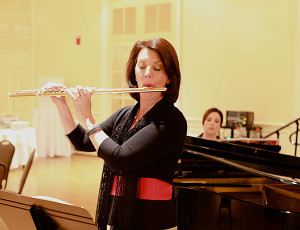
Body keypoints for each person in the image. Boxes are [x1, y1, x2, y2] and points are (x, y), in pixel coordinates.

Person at [44, 38, 187, 230]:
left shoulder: (171, 121)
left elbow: (120, 158)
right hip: (118, 213)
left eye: (157, 68)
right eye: (142, 66)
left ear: (169, 77)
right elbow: (84, 141)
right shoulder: (125, 114)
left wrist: (88, 118)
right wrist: (60, 103)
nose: (147, 74)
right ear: (133, 73)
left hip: (154, 221)